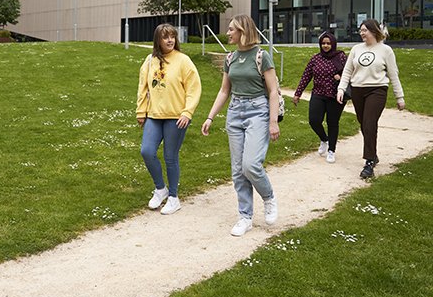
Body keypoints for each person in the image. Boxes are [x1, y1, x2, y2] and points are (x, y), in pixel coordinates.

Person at [201, 14, 280, 237]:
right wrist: (210, 117)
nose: (227, 33)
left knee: (251, 165)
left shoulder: (262, 56)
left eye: (232, 29)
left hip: (258, 112)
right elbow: (224, 90)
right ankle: (245, 217)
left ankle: (269, 197)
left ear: (243, 31)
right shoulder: (230, 58)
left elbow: (273, 91)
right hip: (235, 113)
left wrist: (273, 122)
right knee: (237, 170)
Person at [136, 23, 202, 215]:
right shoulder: (149, 61)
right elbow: (143, 87)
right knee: (147, 151)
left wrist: (187, 112)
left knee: (170, 157)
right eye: (165, 37)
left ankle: (173, 197)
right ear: (158, 40)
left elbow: (194, 88)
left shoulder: (183, 61)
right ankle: (160, 189)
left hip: (177, 117)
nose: (170, 40)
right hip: (154, 115)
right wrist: (141, 112)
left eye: (172, 36)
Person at [337, 18, 405, 179]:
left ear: (373, 31)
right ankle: (373, 155)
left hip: (377, 90)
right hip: (358, 91)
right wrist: (341, 89)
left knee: (369, 123)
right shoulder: (356, 49)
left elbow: (393, 75)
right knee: (364, 124)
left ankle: (368, 163)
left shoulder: (386, 50)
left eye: (364, 30)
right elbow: (347, 71)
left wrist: (399, 97)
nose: (361, 33)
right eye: (360, 30)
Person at [293, 31, 347, 163]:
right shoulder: (315, 58)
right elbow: (306, 76)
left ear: (333, 44)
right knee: (314, 120)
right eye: (323, 43)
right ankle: (324, 139)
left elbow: (349, 73)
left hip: (335, 95)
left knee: (332, 123)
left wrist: (340, 78)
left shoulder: (340, 57)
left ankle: (331, 150)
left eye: (328, 43)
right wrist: (298, 93)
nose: (326, 46)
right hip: (318, 93)